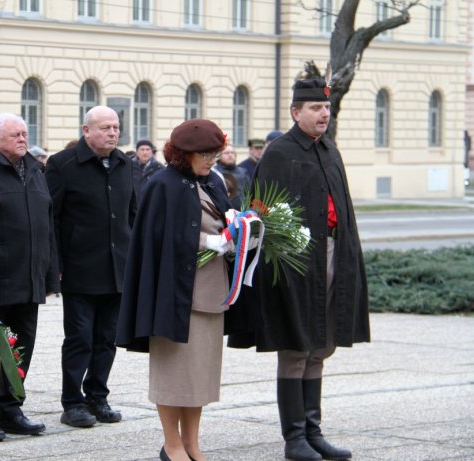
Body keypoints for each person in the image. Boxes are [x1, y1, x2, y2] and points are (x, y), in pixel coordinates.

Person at [232, 79, 370, 461]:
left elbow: (343, 209)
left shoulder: (329, 150)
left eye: (326, 108)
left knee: (320, 345)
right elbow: (262, 212)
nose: (323, 114)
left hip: (331, 252)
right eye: (315, 108)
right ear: (296, 112)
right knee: (295, 343)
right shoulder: (280, 153)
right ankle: (294, 438)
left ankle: (314, 430)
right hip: (294, 264)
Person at [117, 119, 233, 461]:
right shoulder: (161, 183)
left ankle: (192, 443)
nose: (211, 160)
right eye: (205, 154)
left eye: (215, 153)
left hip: (212, 291)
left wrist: (238, 232)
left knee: (200, 376)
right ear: (184, 154)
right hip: (173, 293)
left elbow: (224, 218)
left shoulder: (213, 181)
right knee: (173, 375)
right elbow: (156, 238)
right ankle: (172, 444)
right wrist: (207, 241)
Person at [0, 113, 59, 441]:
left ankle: (10, 407)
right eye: (14, 134)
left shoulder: (36, 172)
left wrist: (50, 272)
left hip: (29, 277)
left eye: (24, 133)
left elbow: (48, 226)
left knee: (21, 347)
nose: (22, 138)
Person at [45, 105, 136, 428]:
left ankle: (97, 396)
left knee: (107, 339)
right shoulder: (62, 164)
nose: (112, 133)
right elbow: (51, 219)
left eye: (115, 127)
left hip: (117, 270)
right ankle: (72, 402)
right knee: (80, 338)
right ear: (86, 131)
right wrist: (54, 265)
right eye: (105, 128)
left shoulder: (126, 164)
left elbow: (132, 217)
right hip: (80, 269)